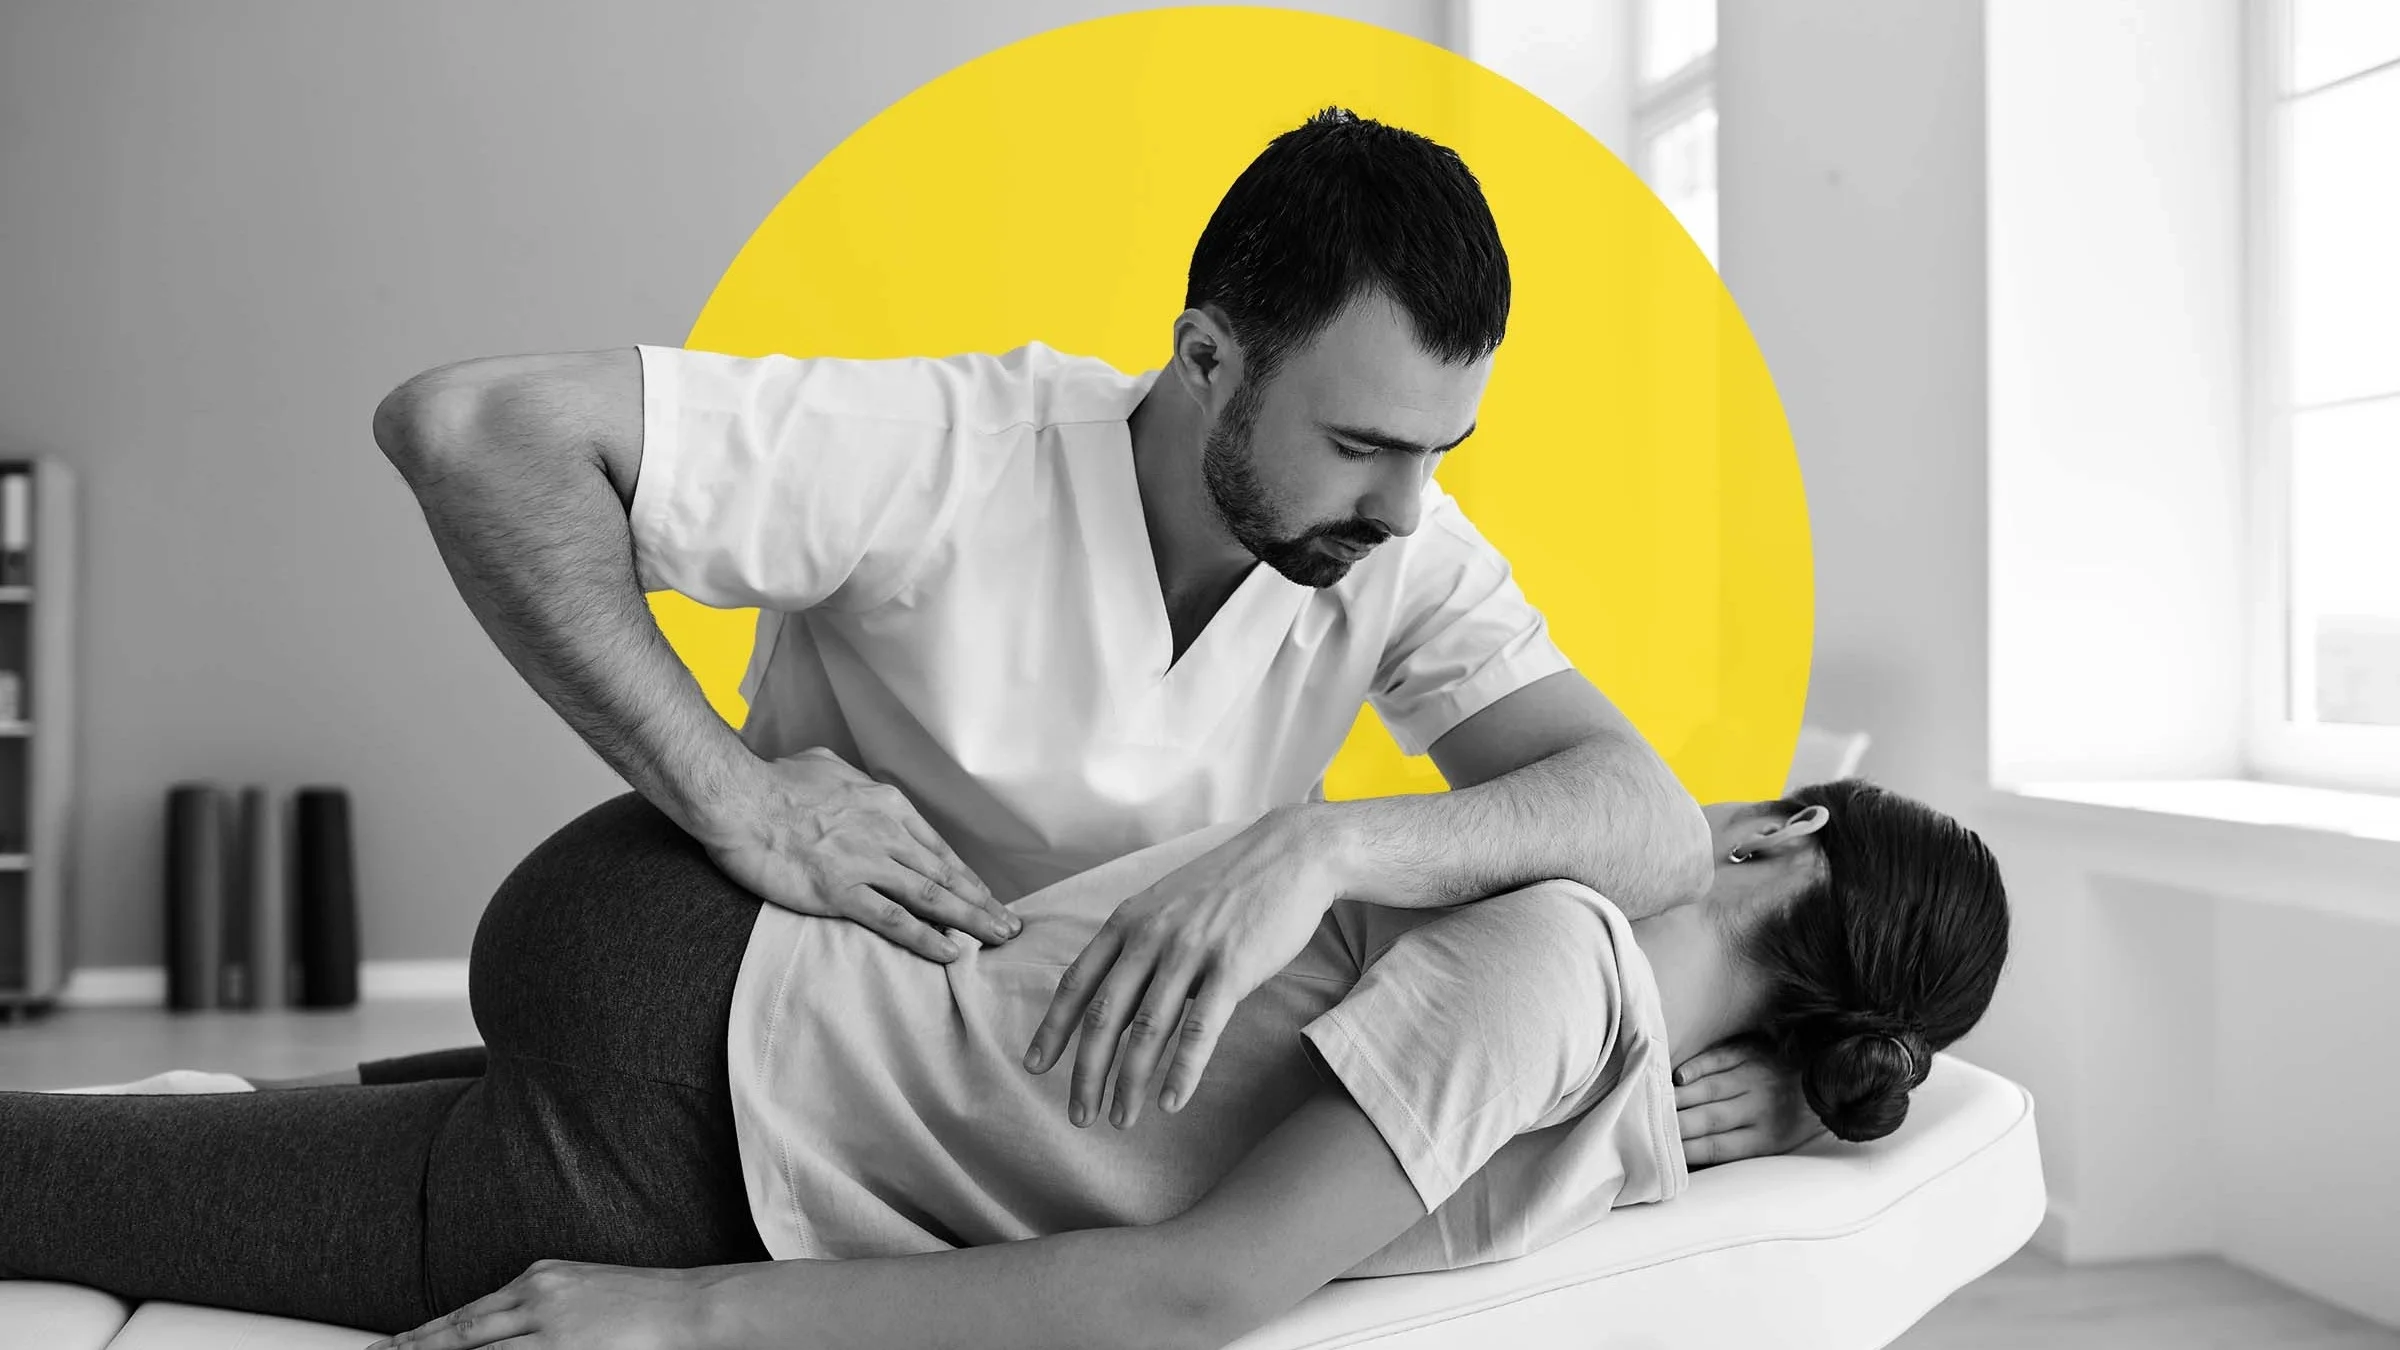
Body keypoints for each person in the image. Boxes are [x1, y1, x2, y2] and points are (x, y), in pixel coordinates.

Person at [367, 105, 1815, 1153]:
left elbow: (1650, 822)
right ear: (1205, 359)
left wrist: (1321, 846)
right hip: (782, 1032)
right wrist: (732, 796)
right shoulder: (947, 448)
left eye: (1444, 448)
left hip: (1060, 1112)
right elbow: (474, 431)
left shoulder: (1399, 548)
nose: (1408, 506)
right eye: (1366, 442)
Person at [0, 779, 2010, 1350]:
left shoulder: (1559, 970)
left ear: (1774, 836)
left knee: (148, 1166)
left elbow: (1193, 1288)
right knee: (65, 1183)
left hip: (699, 1048)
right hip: (698, 1059)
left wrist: (688, 1322)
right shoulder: (1588, 1016)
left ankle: (369, 1118)